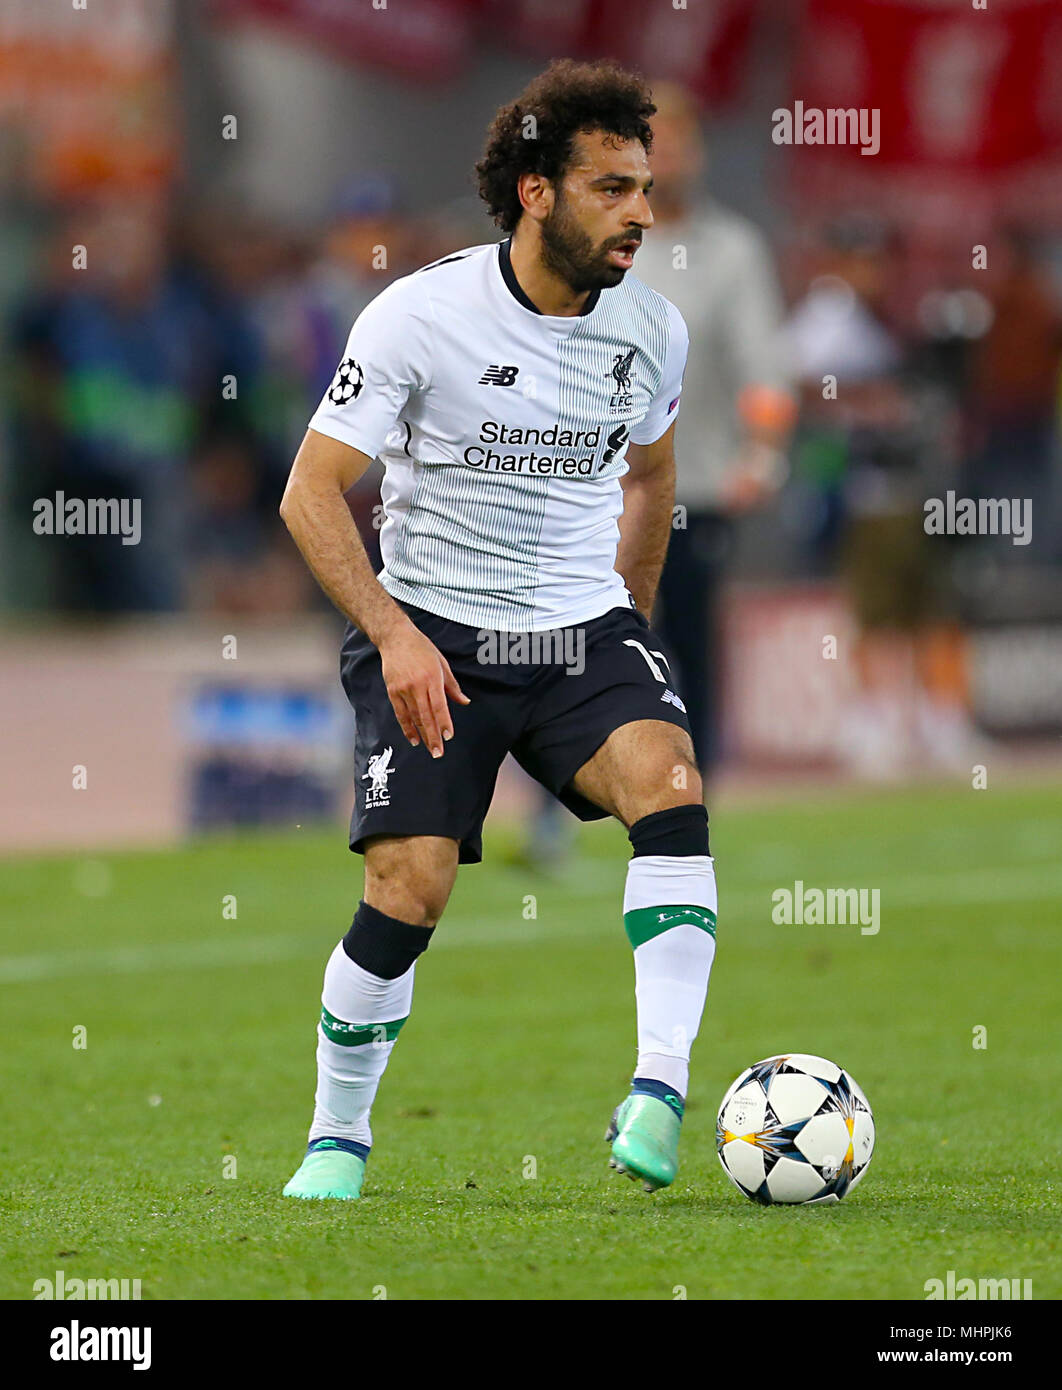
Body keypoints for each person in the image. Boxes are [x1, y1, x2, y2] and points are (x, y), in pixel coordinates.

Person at [278, 59, 717, 1200]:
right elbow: (310, 491)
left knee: (670, 780)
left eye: (645, 187)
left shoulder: (654, 331)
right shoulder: (422, 314)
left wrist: (634, 623)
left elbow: (653, 478)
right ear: (537, 191)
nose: (642, 213)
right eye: (613, 188)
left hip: (578, 629)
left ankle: (658, 1093)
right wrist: (395, 635)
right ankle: (337, 1136)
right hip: (433, 628)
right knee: (408, 889)